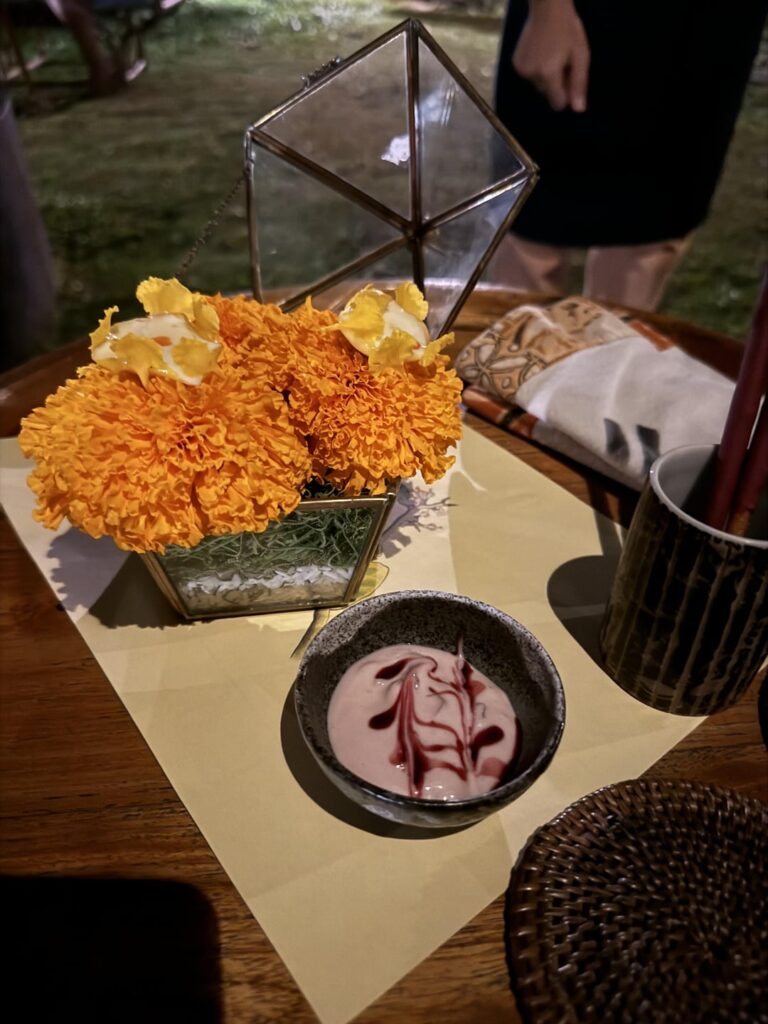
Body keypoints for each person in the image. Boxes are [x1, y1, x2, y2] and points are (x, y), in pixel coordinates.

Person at [493, 0, 767, 310]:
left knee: (649, 235)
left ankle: (614, 352)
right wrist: (548, 10)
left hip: (705, 36)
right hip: (582, 19)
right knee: (530, 224)